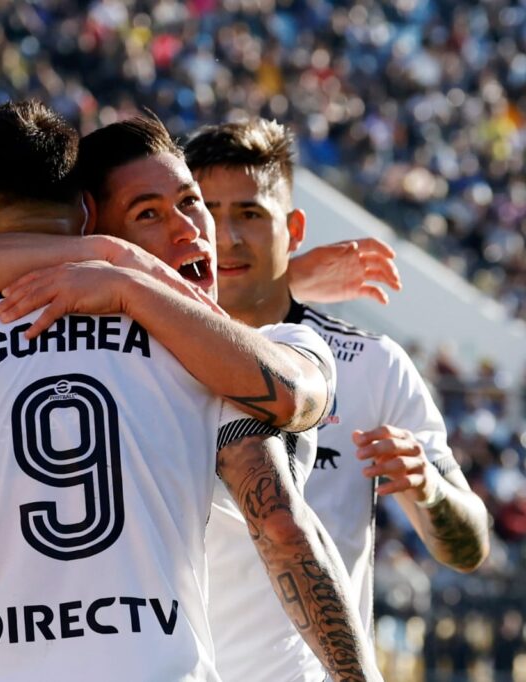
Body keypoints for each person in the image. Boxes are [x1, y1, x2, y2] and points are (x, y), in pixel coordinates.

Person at [0, 101, 377, 681]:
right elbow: (281, 521)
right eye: (148, 214)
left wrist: (124, 278)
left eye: (189, 201)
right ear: (87, 217)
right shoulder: (203, 360)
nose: (189, 227)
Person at [181, 118, 491, 681]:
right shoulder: (147, 356)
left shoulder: (372, 364)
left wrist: (428, 488)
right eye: (208, 212)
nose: (226, 236)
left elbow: (469, 547)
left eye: (250, 213)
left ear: (293, 227)